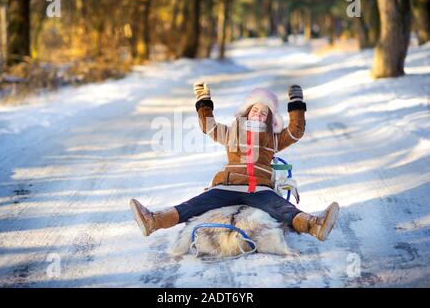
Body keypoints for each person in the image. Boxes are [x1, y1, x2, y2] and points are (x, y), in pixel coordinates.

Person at [130, 82, 339, 241]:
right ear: (247, 111)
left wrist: (296, 103)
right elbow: (208, 126)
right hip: (227, 186)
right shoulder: (231, 131)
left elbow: (296, 131)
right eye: (255, 110)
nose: (259, 113)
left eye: (264, 113)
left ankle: (315, 225)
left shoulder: (273, 138)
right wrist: (204, 100)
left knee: (283, 208)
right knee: (193, 205)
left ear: (269, 119)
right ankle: (153, 220)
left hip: (258, 189)